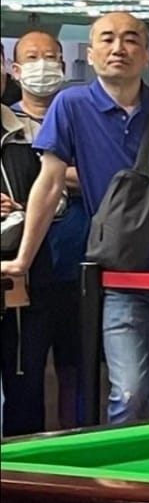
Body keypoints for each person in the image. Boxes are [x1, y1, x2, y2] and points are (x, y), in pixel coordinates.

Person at [2, 12, 149, 425]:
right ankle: (122, 468)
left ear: (147, 53)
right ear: (90, 53)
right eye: (107, 39)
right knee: (129, 392)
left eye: (130, 39)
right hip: (117, 273)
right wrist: (23, 260)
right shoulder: (71, 105)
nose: (118, 48)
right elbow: (49, 183)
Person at [0, 30, 88, 434]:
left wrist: (50, 180)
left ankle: (74, 449)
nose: (42, 66)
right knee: (26, 375)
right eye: (32, 58)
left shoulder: (79, 118)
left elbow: (108, 175)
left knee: (76, 372)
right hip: (27, 271)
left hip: (76, 268)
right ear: (16, 70)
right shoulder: (11, 127)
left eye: (50, 57)